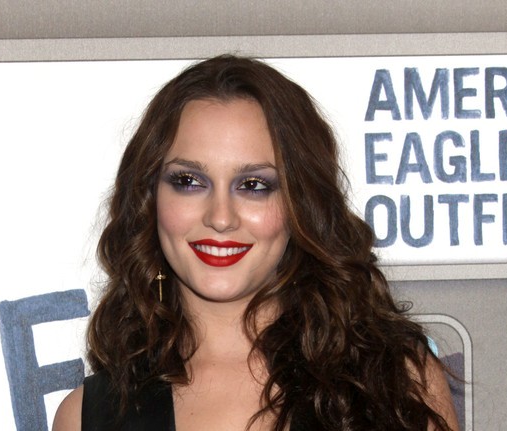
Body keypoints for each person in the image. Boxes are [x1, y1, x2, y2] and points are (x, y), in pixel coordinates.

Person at [53, 55, 459, 431]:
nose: (220, 217)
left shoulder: (397, 381)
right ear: (149, 198)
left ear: (300, 204)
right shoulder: (88, 416)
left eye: (253, 185)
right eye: (189, 181)